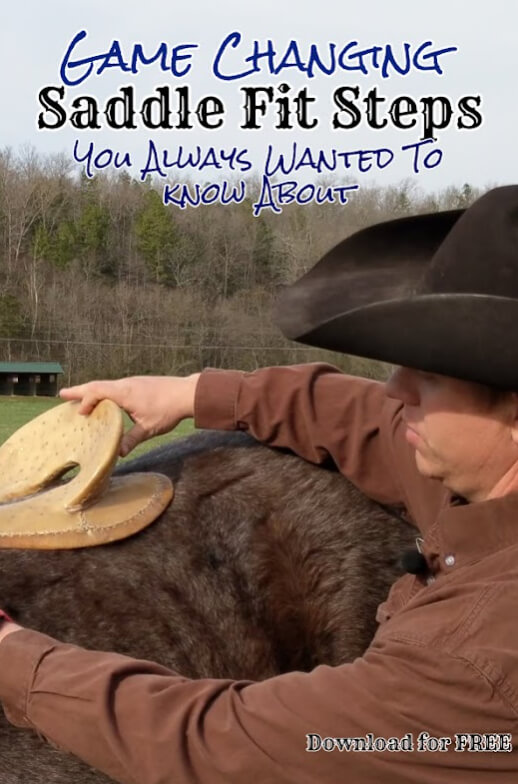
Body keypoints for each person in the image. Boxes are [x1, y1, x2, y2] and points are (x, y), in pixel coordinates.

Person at [0, 185, 517, 783]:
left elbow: (227, 746)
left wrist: (17, 658)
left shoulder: (476, 663)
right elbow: (365, 418)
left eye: (427, 376)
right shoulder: (484, 484)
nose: (396, 391)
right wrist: (190, 394)